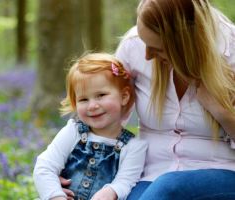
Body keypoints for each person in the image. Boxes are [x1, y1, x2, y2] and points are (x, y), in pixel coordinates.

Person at [114, 0, 235, 199]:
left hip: (223, 173)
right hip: (149, 174)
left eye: (158, 48)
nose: (147, 55)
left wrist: (219, 110)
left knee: (169, 186)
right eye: (145, 44)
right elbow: (105, 117)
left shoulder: (230, 51)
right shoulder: (133, 45)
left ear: (184, 42)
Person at [33, 53, 147, 200]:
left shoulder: (134, 147)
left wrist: (111, 191)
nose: (92, 106)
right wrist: (56, 195)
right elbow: (45, 166)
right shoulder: (74, 131)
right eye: (83, 99)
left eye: (101, 95)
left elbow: (125, 182)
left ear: (124, 96)